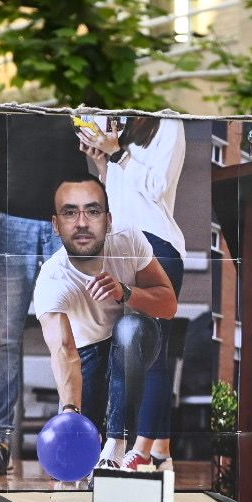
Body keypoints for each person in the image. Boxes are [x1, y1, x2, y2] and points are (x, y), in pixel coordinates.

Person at [0, 114, 91, 475]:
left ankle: (73, 440)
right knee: (4, 335)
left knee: (76, 335)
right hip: (10, 220)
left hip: (69, 221)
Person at [31, 177, 177, 442]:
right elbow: (65, 351)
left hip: (136, 340)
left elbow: (168, 305)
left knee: (128, 328)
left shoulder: (128, 239)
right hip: (86, 352)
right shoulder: (52, 280)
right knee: (79, 445)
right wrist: (70, 411)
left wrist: (125, 292)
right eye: (70, 213)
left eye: (93, 211)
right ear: (56, 225)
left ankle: (118, 444)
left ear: (109, 220)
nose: (82, 223)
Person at [79, 116, 187, 470]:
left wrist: (117, 154)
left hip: (155, 243)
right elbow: (120, 192)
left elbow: (156, 187)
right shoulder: (122, 127)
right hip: (121, 244)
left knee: (149, 351)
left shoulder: (169, 123)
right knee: (125, 351)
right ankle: (158, 452)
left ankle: (137, 451)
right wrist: (101, 159)